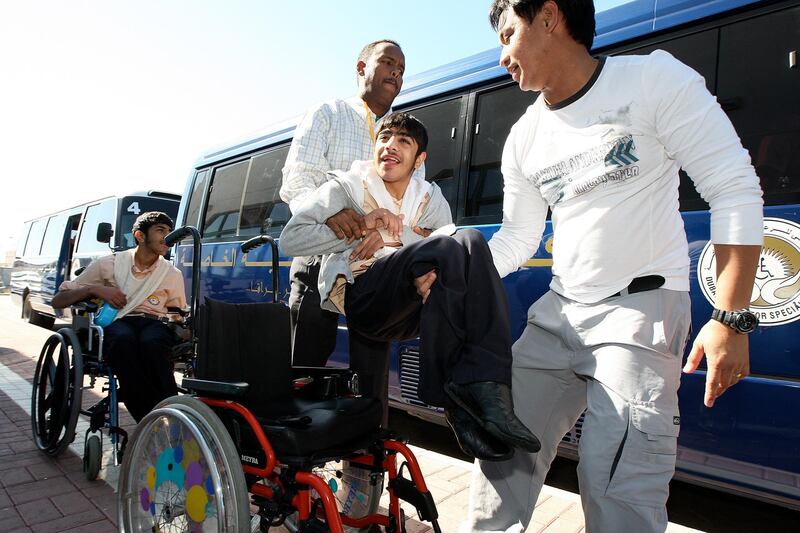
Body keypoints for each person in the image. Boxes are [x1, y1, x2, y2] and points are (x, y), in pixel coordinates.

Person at [455, 1, 764, 531]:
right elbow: (518, 238)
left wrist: (731, 317)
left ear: (549, 17)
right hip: (558, 312)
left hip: (640, 313)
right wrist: (450, 267)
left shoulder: (653, 80)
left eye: (508, 35)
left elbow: (734, 189)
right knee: (499, 456)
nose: (502, 55)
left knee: (617, 487)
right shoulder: (524, 137)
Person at [280, 112, 541, 461]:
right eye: (384, 138)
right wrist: (359, 227)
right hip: (365, 297)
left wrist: (397, 237)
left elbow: (447, 253)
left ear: (419, 160)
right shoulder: (347, 187)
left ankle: (482, 394)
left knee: (472, 241)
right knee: (451, 245)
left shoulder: (430, 198)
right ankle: (461, 401)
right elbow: (290, 239)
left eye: (403, 141)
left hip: (406, 311)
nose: (390, 145)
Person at [280, 39, 420, 422]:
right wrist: (327, 214)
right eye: (388, 62)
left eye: (402, 69)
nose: (396, 72)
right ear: (362, 68)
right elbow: (298, 179)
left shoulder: (401, 134)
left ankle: (362, 473)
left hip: (373, 268)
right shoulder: (328, 114)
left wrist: (393, 231)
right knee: (304, 367)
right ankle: (295, 465)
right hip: (317, 260)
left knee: (371, 377)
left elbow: (413, 200)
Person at [52, 212, 187, 422]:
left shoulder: (172, 274)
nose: (167, 237)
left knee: (152, 343)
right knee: (123, 341)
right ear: (140, 236)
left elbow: (177, 312)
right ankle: (149, 420)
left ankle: (170, 410)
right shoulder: (109, 264)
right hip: (119, 321)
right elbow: (59, 301)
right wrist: (95, 290)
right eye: (160, 230)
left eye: (169, 232)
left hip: (154, 323)